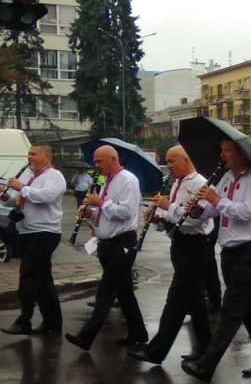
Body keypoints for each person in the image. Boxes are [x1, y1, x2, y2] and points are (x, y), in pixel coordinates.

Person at [181, 140, 251, 382]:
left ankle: (207, 365)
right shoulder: (225, 178)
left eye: (227, 151)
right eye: (221, 150)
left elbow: (247, 212)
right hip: (229, 250)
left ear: (242, 154)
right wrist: (198, 209)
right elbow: (214, 211)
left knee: (232, 308)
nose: (222, 155)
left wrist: (216, 200)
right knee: (249, 309)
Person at [128, 146, 213, 366]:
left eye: (172, 161)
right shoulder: (177, 183)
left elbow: (196, 220)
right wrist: (157, 216)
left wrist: (169, 206)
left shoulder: (200, 183)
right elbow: (173, 218)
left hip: (195, 244)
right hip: (179, 243)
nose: (169, 166)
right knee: (195, 301)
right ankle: (205, 347)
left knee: (175, 300)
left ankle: (156, 351)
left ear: (186, 160)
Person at [65, 146, 147, 351]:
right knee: (125, 292)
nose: (96, 165)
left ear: (113, 159)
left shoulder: (128, 180)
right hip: (107, 244)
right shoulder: (106, 181)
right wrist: (89, 213)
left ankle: (86, 336)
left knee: (106, 291)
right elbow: (105, 213)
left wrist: (100, 202)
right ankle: (138, 332)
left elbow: (126, 212)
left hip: (122, 244)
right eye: (95, 161)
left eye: (99, 161)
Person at [0, 144, 66, 336]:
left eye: (34, 154)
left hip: (44, 232)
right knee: (43, 278)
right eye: (28, 154)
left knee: (28, 276)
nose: (30, 157)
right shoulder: (30, 176)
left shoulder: (54, 176)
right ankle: (53, 321)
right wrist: (6, 197)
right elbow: (20, 200)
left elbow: (46, 197)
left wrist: (22, 187)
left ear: (46, 156)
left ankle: (24, 321)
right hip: (27, 232)